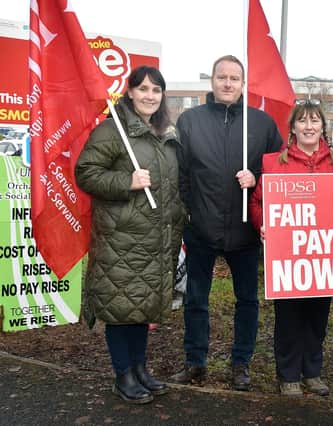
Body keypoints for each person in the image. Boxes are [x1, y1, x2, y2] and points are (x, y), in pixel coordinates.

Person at [171, 55, 283, 390]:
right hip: (202, 228)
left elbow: (279, 170)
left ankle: (240, 363)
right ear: (212, 81)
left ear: (243, 83)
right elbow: (181, 172)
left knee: (247, 300)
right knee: (196, 299)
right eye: (222, 77)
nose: (228, 83)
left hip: (246, 230)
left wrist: (258, 177)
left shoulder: (261, 123)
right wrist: (191, 210)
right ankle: (195, 361)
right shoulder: (190, 121)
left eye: (235, 78)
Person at [75, 66, 185, 404]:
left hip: (155, 239)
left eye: (156, 90)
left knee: (141, 307)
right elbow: (85, 173)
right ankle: (123, 373)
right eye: (143, 89)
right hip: (122, 239)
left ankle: (139, 369)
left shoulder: (166, 134)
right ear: (130, 92)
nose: (150, 95)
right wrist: (127, 182)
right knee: (122, 310)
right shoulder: (113, 131)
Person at [249, 100, 333, 397]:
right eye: (302, 121)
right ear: (292, 127)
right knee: (289, 317)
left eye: (314, 121)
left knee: (318, 316)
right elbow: (257, 202)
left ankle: (312, 372)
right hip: (288, 255)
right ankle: (288, 375)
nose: (309, 126)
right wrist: (262, 224)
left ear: (323, 126)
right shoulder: (272, 162)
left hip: (322, 253)